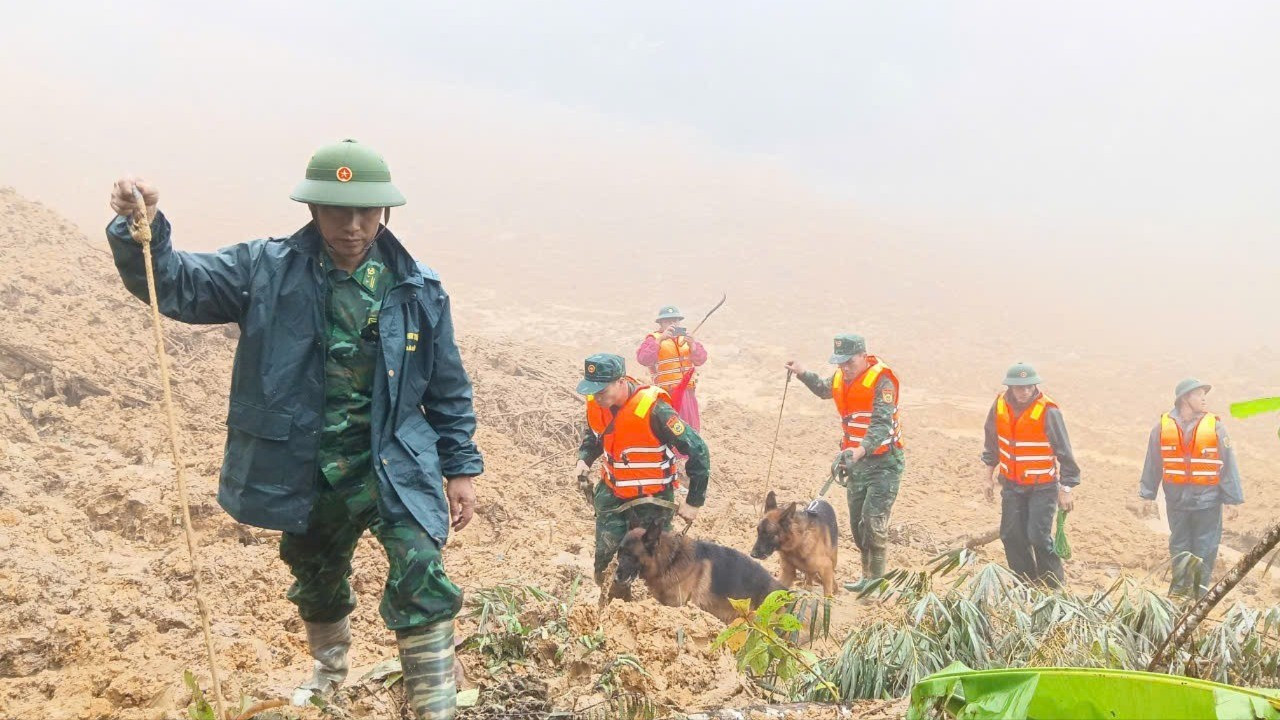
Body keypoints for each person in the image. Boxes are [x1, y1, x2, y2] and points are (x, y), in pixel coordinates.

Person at [107, 139, 481, 719]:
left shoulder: (418, 288)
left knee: (421, 567)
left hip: (392, 464)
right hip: (304, 467)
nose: (353, 226)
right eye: (337, 211)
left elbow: (447, 385)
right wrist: (144, 229)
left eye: (366, 212)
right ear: (312, 209)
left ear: (384, 211)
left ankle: (435, 706)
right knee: (315, 575)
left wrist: (460, 468)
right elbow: (177, 283)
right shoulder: (264, 268)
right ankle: (329, 678)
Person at [574, 353, 710, 597]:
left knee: (657, 565)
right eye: (593, 391)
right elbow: (595, 436)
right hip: (613, 495)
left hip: (653, 501)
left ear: (620, 381)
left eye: (602, 391)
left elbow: (697, 449)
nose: (597, 397)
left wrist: (694, 501)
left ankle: (657, 607)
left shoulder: (655, 409)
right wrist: (584, 458)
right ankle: (614, 605)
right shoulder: (597, 404)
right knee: (606, 564)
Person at [785, 333, 904, 592]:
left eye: (850, 362)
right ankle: (866, 576)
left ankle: (875, 584)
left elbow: (881, 425)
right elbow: (823, 388)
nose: (845, 368)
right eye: (841, 362)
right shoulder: (841, 377)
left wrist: (858, 451)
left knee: (873, 522)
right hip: (856, 463)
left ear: (863, 356)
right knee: (857, 525)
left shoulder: (882, 381)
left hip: (884, 462)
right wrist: (802, 373)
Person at [1139, 379, 1244, 597]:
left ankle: (1198, 596)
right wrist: (1147, 495)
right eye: (1198, 394)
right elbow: (1153, 463)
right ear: (1185, 398)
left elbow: (1228, 464)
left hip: (1207, 501)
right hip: (1176, 501)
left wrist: (1232, 500)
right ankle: (1178, 593)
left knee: (1205, 548)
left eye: (1204, 394)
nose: (1204, 399)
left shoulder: (1216, 426)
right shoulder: (1161, 428)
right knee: (1179, 545)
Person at [981, 363, 1079, 588]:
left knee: (1038, 536)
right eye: (1019, 387)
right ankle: (1025, 583)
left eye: (1029, 386)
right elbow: (992, 443)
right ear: (1010, 387)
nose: (1024, 391)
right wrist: (987, 477)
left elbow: (1065, 452)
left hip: (1042, 486)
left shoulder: (1048, 411)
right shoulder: (999, 405)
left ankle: (1053, 587)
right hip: (1012, 485)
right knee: (1011, 535)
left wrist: (1066, 489)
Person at [636, 304, 708, 431]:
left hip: (687, 394)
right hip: (667, 395)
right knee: (671, 429)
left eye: (675, 320)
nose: (673, 324)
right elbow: (643, 359)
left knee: (691, 428)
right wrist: (659, 341)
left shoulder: (687, 339)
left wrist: (693, 346)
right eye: (668, 321)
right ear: (660, 323)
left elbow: (701, 359)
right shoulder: (653, 339)